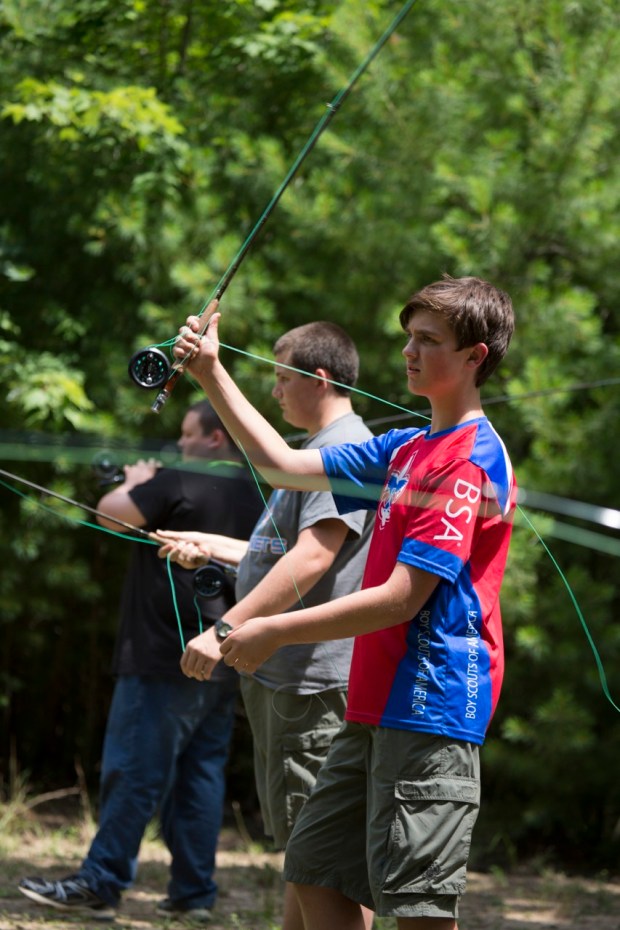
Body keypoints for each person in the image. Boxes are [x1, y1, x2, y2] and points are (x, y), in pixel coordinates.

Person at [171, 275, 517, 930]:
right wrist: (210, 372)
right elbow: (280, 465)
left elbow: (401, 598)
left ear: (476, 356)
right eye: (408, 338)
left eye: (429, 340)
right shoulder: (408, 447)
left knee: (416, 907)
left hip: (430, 705)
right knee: (313, 865)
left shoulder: (468, 460)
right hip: (374, 702)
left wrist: (271, 628)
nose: (409, 352)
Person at [156, 321, 375, 930]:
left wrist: (222, 629)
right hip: (290, 683)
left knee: (324, 860)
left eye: (282, 378)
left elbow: (314, 557)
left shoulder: (341, 448)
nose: (276, 391)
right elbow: (285, 550)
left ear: (319, 378)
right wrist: (217, 547)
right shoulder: (317, 449)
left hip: (310, 688)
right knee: (308, 857)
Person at [18, 400, 264, 922]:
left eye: (187, 434)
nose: (179, 444)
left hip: (164, 656)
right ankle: (194, 895)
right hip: (226, 651)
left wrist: (137, 479)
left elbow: (109, 512)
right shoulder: (259, 492)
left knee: (133, 770)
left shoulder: (176, 479)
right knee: (201, 777)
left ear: (215, 438)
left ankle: (100, 882)